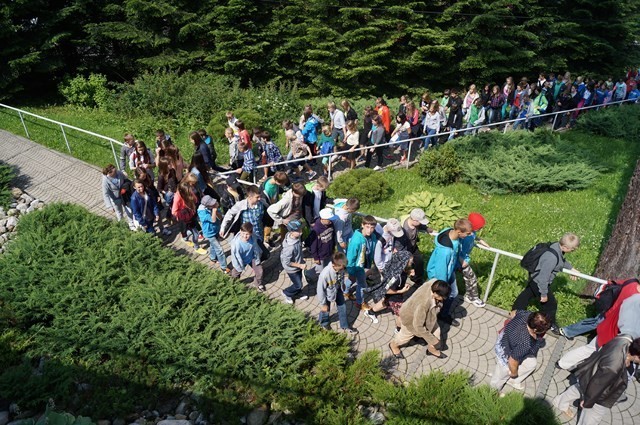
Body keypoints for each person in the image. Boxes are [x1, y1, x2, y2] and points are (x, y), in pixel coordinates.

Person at [554, 337, 640, 423]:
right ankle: (561, 402)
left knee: (580, 388)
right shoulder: (614, 367)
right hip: (600, 393)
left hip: (589, 375)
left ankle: (560, 402)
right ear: (637, 356)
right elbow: (598, 384)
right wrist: (588, 401)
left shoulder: (625, 340)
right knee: (594, 415)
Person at [558, 281, 640, 370]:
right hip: (614, 333)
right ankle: (567, 364)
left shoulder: (632, 283)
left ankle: (563, 362)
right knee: (592, 351)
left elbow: (612, 282)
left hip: (608, 321)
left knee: (590, 349)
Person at [512, 233, 581, 334]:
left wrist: (572, 269)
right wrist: (544, 294)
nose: (573, 251)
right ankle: (548, 324)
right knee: (551, 305)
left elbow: (561, 261)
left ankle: (515, 313)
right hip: (539, 282)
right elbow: (543, 278)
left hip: (534, 278)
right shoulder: (551, 258)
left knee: (526, 295)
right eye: (573, 249)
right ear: (565, 247)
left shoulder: (556, 247)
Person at [426, 218, 474, 327]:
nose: (469, 235)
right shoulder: (445, 251)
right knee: (437, 297)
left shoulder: (450, 232)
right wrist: (443, 286)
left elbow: (455, 253)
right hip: (439, 277)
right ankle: (431, 318)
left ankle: (442, 313)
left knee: (453, 293)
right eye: (467, 233)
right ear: (459, 232)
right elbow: (440, 269)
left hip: (449, 271)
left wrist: (456, 265)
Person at [490, 311, 551, 392]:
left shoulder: (527, 314)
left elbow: (513, 312)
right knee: (500, 376)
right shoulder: (525, 343)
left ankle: (512, 381)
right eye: (544, 330)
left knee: (531, 363)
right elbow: (512, 361)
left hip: (505, 337)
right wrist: (514, 373)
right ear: (535, 329)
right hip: (505, 353)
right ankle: (493, 391)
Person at [389, 279, 451, 359]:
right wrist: (433, 341)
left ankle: (431, 350)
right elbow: (418, 326)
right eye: (442, 297)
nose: (443, 299)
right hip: (410, 320)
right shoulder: (424, 304)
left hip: (426, 317)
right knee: (404, 338)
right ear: (435, 293)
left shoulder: (434, 283)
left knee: (437, 330)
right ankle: (393, 345)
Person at [364, 250, 414, 328]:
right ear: (404, 263)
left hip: (393, 294)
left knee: (384, 303)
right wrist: (401, 291)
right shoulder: (396, 278)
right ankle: (398, 330)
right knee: (401, 314)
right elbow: (387, 290)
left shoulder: (397, 268)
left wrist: (408, 272)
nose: (412, 263)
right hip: (395, 298)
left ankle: (370, 312)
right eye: (410, 262)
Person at [317, 252, 357, 334]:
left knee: (343, 307)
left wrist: (343, 286)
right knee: (325, 309)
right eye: (342, 268)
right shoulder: (324, 274)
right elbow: (320, 290)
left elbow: (341, 277)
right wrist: (323, 303)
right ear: (334, 265)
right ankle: (324, 324)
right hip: (327, 294)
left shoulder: (341, 268)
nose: (343, 270)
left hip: (338, 289)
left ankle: (345, 326)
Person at [346, 215, 378, 309]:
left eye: (372, 228)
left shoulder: (373, 237)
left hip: (365, 264)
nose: (370, 230)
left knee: (351, 280)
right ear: (362, 225)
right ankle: (360, 303)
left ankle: (345, 292)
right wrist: (351, 270)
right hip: (358, 267)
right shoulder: (356, 240)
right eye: (367, 227)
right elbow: (350, 257)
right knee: (362, 285)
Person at [396, 208, 434, 286]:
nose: (421, 224)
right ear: (414, 220)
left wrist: (426, 228)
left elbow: (421, 226)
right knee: (404, 265)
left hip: (413, 246)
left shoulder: (415, 223)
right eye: (420, 222)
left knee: (419, 261)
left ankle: (417, 279)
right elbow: (399, 246)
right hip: (404, 248)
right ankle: (400, 281)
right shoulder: (404, 230)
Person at [459, 213, 489, 308]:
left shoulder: (471, 233)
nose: (480, 229)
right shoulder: (464, 235)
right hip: (461, 260)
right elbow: (457, 248)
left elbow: (474, 237)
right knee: (471, 278)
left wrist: (481, 241)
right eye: (479, 227)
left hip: (465, 259)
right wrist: (461, 261)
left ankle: (469, 296)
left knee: (468, 277)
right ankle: (473, 298)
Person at [230, 222, 265, 291]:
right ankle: (233, 284)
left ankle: (258, 283)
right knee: (235, 274)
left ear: (251, 233)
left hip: (252, 258)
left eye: (247, 234)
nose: (245, 236)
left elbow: (257, 241)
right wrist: (238, 266)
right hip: (241, 261)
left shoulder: (253, 237)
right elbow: (234, 258)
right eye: (243, 233)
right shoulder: (236, 244)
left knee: (260, 271)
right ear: (240, 231)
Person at [197, 195, 228, 273]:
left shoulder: (213, 207)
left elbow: (220, 218)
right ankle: (224, 267)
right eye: (212, 204)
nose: (214, 204)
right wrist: (214, 211)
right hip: (209, 232)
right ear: (207, 205)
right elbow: (213, 220)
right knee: (219, 249)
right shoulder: (202, 212)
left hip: (216, 229)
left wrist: (216, 210)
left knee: (213, 245)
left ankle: (212, 257)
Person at [280, 220, 308, 303]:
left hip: (298, 264)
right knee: (298, 284)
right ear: (291, 232)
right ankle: (287, 293)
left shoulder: (296, 237)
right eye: (298, 231)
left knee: (299, 281)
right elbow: (287, 262)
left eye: (301, 229)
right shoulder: (289, 247)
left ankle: (297, 293)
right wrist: (300, 265)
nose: (301, 232)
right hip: (292, 269)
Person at [306, 207, 336, 280]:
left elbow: (333, 236)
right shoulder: (316, 230)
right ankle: (312, 277)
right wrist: (316, 257)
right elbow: (313, 246)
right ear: (323, 219)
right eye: (329, 220)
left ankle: (311, 273)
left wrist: (333, 248)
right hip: (320, 255)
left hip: (328, 252)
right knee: (321, 271)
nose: (331, 221)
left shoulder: (331, 224)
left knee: (327, 267)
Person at [101, 163, 134, 228]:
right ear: (109, 173)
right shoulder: (105, 180)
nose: (116, 171)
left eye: (115, 169)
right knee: (119, 213)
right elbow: (105, 194)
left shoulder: (118, 173)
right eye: (114, 171)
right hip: (116, 199)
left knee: (129, 210)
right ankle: (122, 226)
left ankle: (132, 224)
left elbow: (126, 179)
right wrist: (109, 206)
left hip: (124, 196)